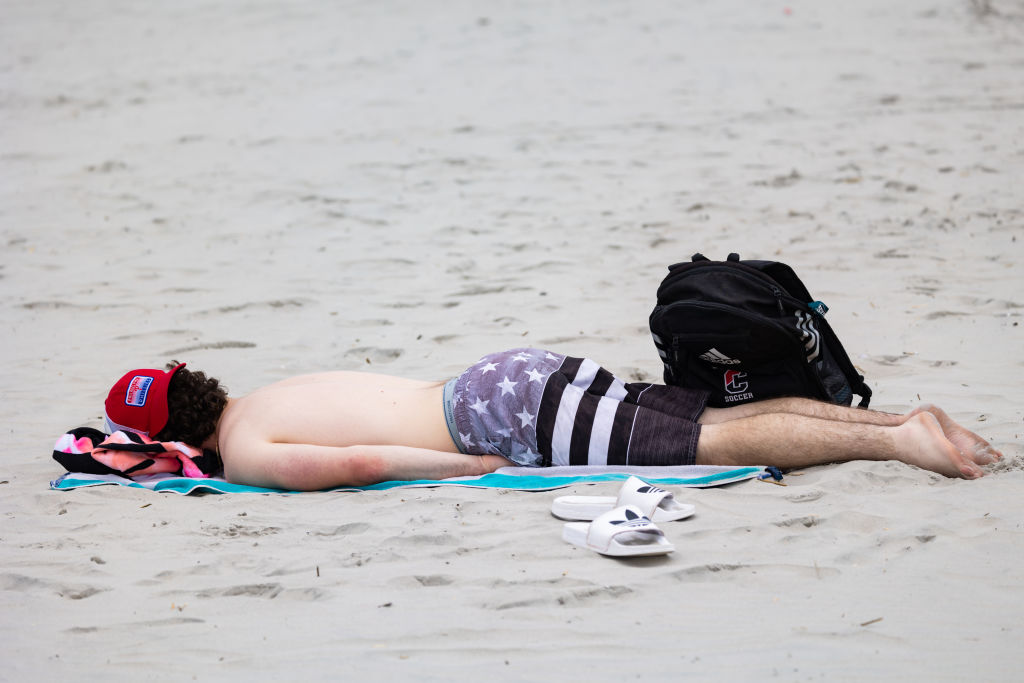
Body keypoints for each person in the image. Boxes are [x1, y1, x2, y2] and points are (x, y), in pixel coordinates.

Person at [102, 348, 1002, 490]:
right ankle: (898, 422)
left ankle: (904, 442)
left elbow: (363, 462)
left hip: (493, 419)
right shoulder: (266, 394)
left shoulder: (247, 447)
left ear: (167, 439)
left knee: (710, 440)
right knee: (710, 418)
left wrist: (476, 470)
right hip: (502, 374)